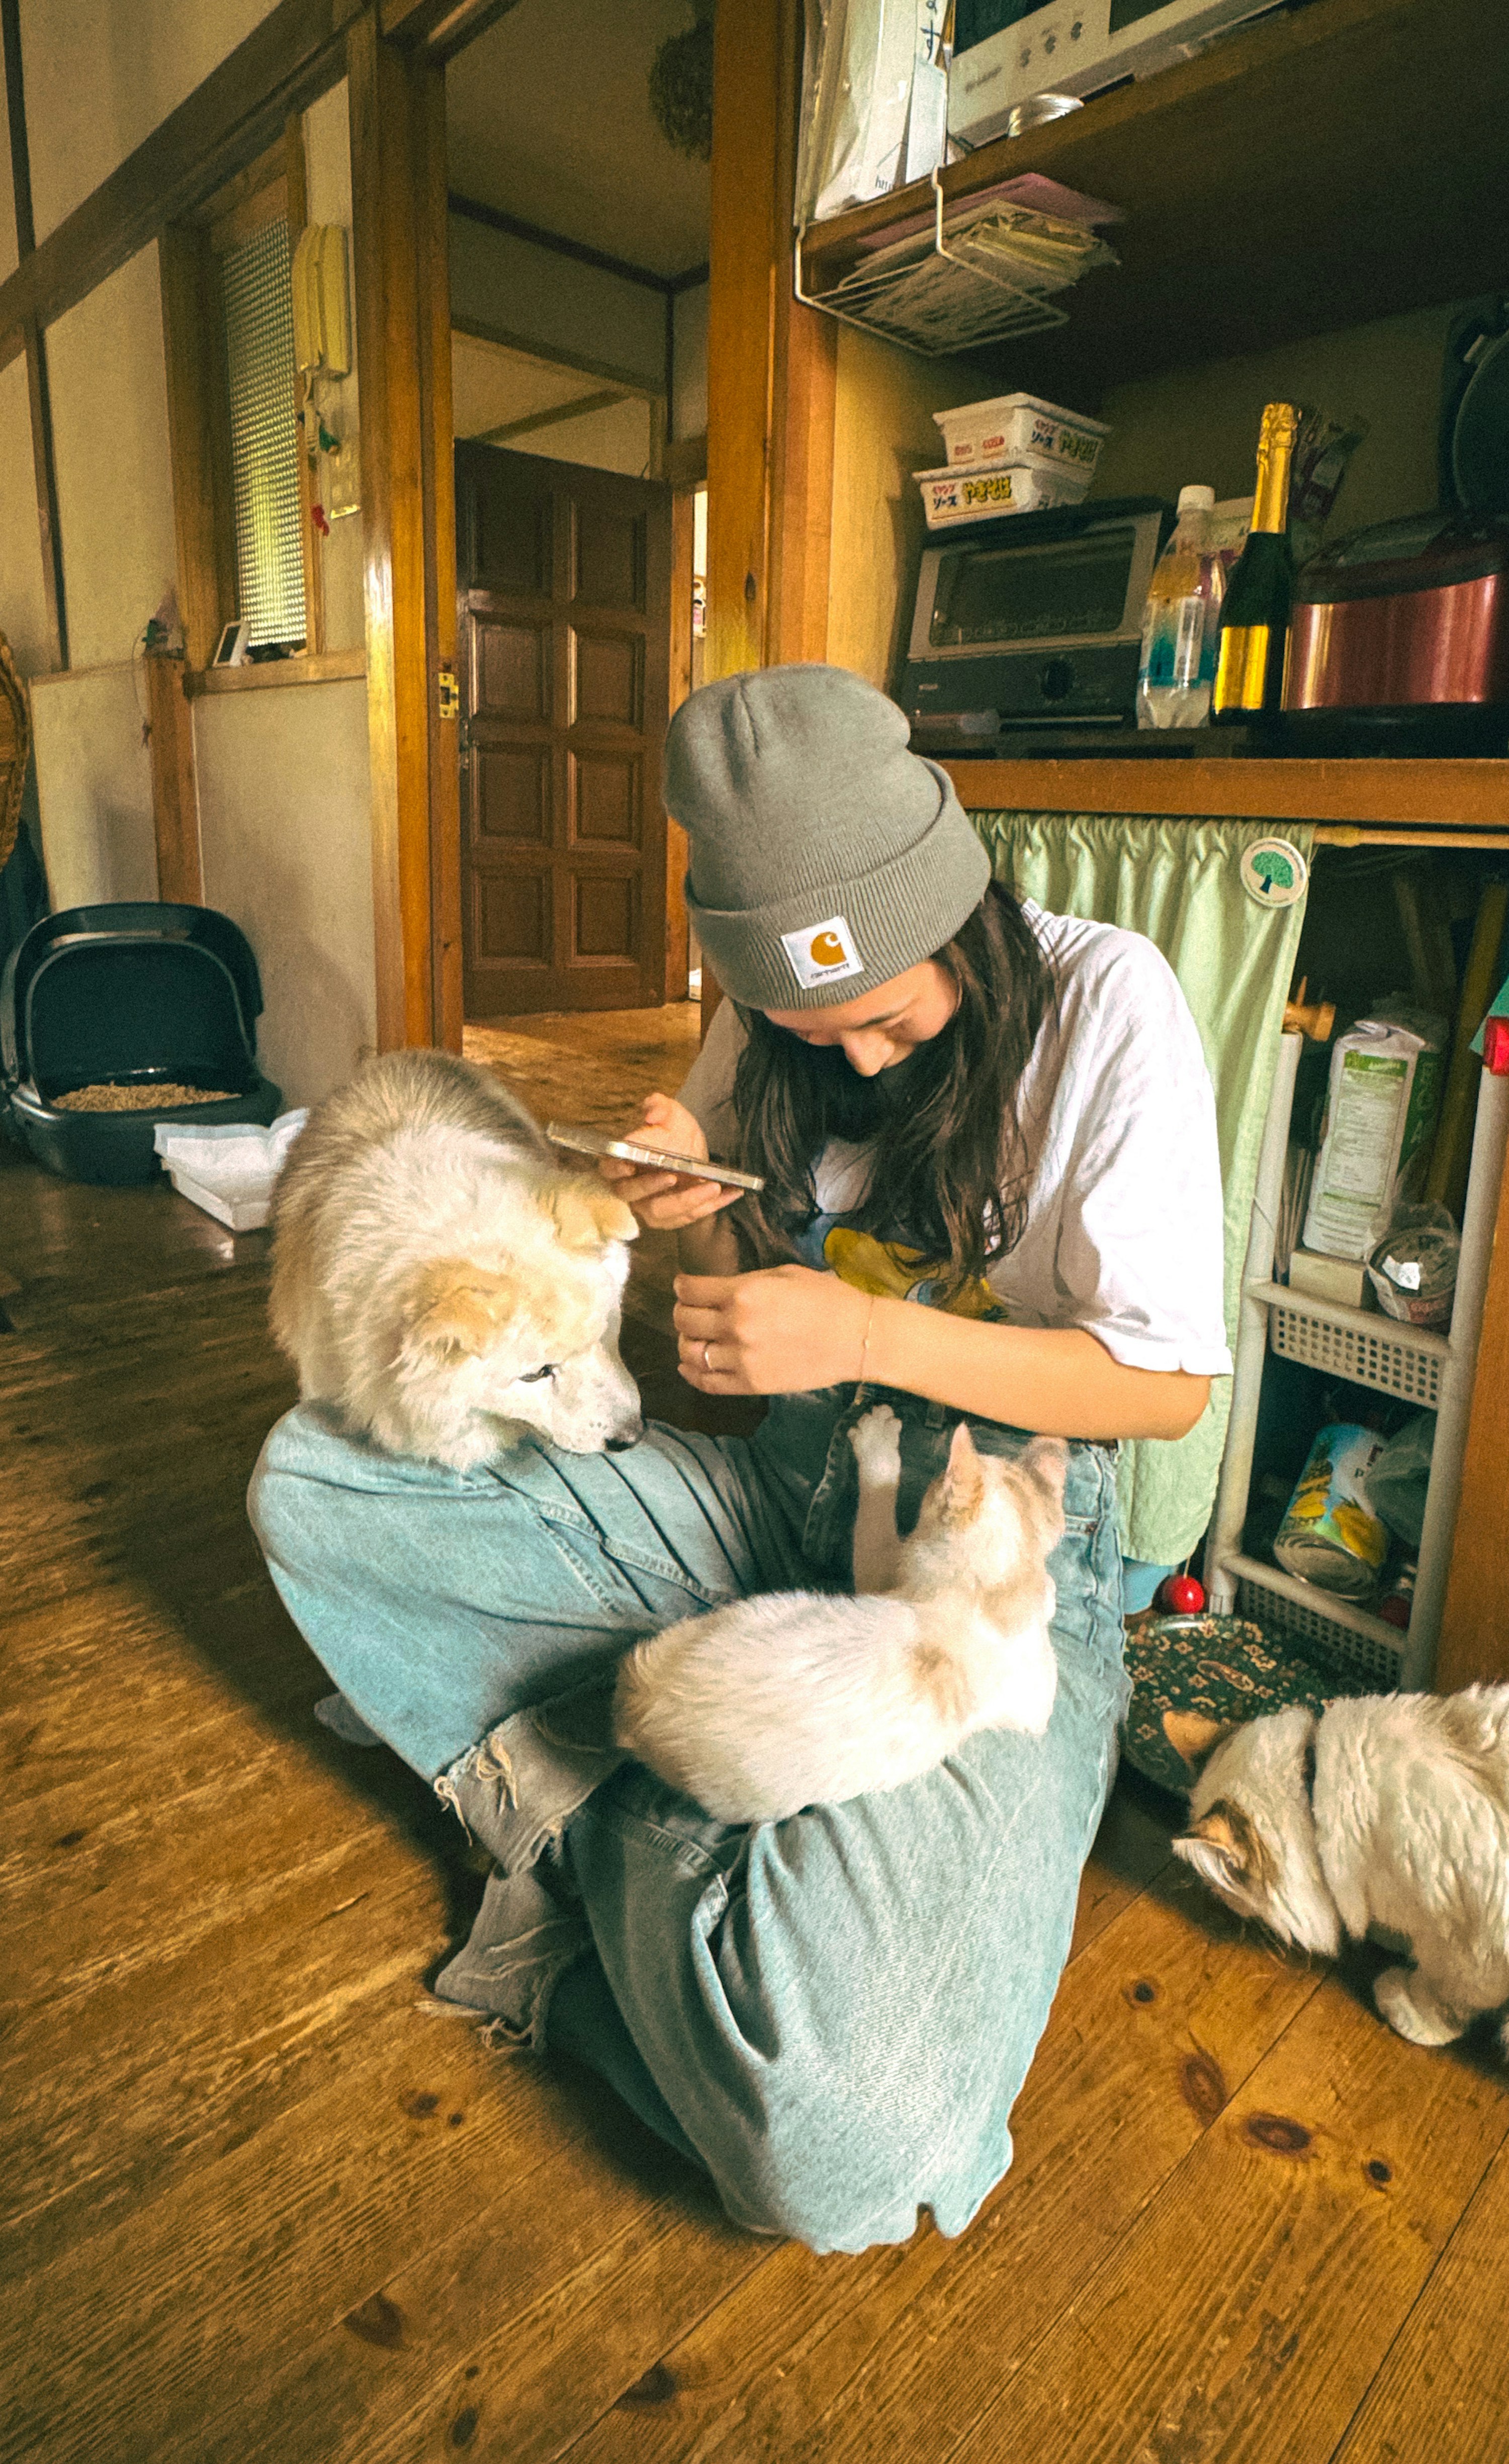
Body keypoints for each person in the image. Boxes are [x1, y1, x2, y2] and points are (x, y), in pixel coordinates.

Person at [250, 664, 1231, 2254]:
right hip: (768, 1497)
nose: (845, 1065)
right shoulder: (769, 1035)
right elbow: (714, 1381)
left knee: (854, 2145)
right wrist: (699, 1221)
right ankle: (704, 1829)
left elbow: (1170, 1386)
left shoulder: (1110, 1004)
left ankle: (596, 1854)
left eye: (888, 1018)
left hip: (974, 1583)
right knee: (317, 1483)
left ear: (959, 912)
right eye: (799, 1026)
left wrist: (863, 1339)